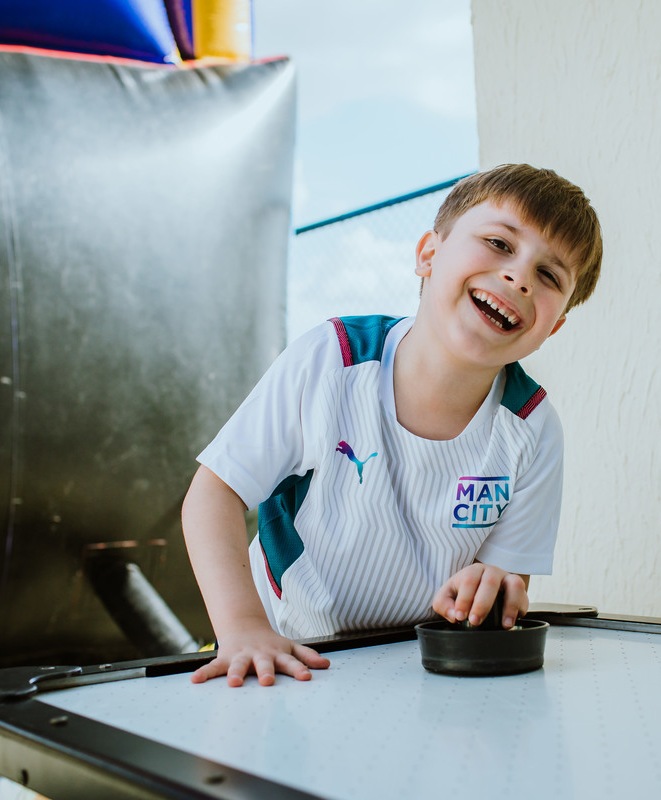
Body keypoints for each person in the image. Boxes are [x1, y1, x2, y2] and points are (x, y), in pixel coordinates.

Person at [182, 164, 603, 686]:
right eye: (498, 243)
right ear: (428, 253)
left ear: (553, 327)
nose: (519, 277)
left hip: (411, 668)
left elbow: (506, 578)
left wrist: (492, 588)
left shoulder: (533, 429)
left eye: (549, 275)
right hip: (284, 654)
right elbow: (213, 494)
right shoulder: (330, 361)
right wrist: (242, 628)